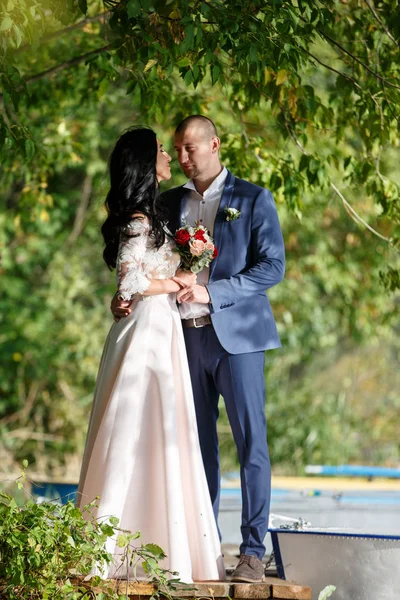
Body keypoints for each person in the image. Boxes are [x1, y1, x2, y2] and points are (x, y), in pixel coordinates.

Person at [112, 116, 286, 583]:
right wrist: (125, 294)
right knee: (195, 446)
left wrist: (215, 292)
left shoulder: (253, 198)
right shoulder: (167, 203)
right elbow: (142, 257)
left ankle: (252, 551)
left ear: (215, 143)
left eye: (190, 149)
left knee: (251, 444)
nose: (184, 158)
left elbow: (273, 267)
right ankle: (202, 548)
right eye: (177, 151)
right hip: (182, 339)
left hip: (239, 339)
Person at [77, 127, 225, 583]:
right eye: (161, 150)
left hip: (162, 333)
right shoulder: (140, 218)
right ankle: (108, 548)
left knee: (164, 434)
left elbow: (138, 274)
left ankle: (162, 542)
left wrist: (185, 265)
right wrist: (176, 283)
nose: (168, 155)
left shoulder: (154, 215)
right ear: (146, 163)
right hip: (144, 333)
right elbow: (130, 283)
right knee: (130, 433)